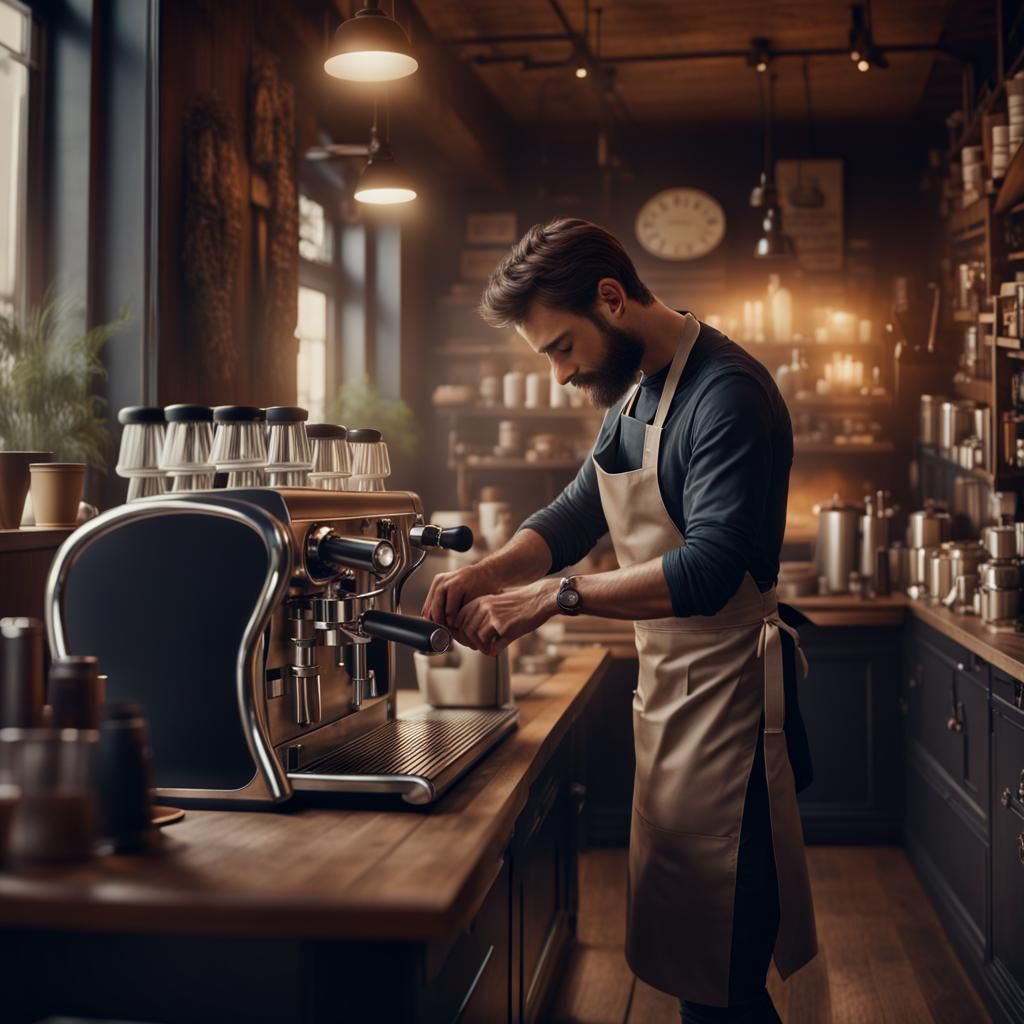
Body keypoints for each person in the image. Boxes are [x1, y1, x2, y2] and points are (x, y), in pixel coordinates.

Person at [422, 218, 817, 1023]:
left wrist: (553, 598)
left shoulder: (728, 394)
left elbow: (709, 570)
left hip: (733, 710)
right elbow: (576, 516)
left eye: (563, 348)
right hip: (673, 702)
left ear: (611, 299)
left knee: (725, 974)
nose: (563, 375)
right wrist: (484, 574)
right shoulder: (635, 393)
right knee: (687, 957)